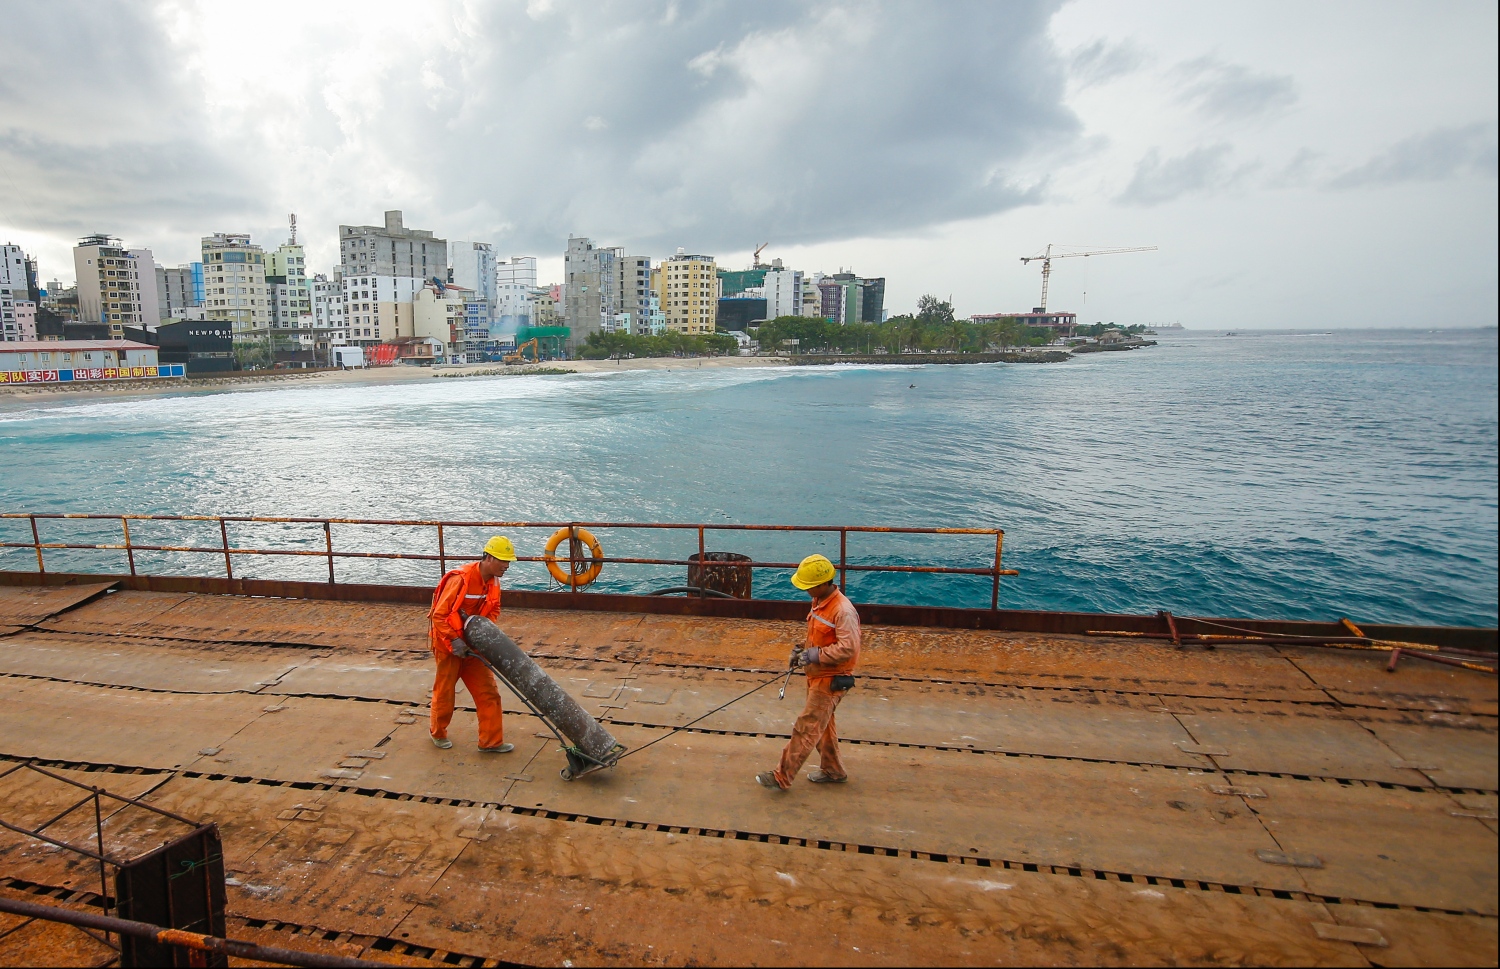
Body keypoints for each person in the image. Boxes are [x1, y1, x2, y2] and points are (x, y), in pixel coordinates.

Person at [756, 554, 861, 790]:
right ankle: (833, 771)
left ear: (825, 583)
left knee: (807, 726)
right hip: (816, 674)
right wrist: (801, 651)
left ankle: (781, 777)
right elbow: (819, 637)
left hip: (831, 679)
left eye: (809, 587)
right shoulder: (819, 602)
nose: (806, 591)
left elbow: (848, 648)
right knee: (822, 727)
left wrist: (814, 656)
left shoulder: (843, 611)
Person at [427, 536, 517, 753]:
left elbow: (493, 611)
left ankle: (491, 741)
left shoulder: (493, 582)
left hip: (474, 648)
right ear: (488, 558)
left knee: (488, 692)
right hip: (449, 646)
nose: (507, 566)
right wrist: (455, 640)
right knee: (445, 691)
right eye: (503, 561)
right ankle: (438, 734)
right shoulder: (461, 579)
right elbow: (438, 615)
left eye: (509, 562)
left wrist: (482, 637)